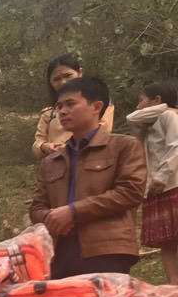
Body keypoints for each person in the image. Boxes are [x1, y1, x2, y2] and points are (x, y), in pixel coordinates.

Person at [31, 76, 145, 279]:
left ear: (96, 106)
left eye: (70, 104)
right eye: (59, 106)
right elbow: (36, 208)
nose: (62, 111)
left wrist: (73, 212)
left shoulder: (124, 146)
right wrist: (51, 217)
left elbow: (130, 192)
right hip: (60, 253)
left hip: (107, 249)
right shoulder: (51, 161)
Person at [128, 82, 178, 284]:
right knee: (167, 241)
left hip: (172, 184)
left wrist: (162, 176)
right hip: (156, 189)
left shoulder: (168, 116)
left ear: (157, 100)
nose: (138, 106)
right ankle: (174, 286)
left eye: (142, 100)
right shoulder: (149, 125)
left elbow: (176, 147)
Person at [33, 53, 116, 159]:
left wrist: (69, 147)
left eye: (68, 76)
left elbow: (103, 130)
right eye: (56, 79)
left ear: (80, 73)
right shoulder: (49, 113)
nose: (63, 82)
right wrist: (45, 147)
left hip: (91, 162)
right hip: (56, 167)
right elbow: (38, 143)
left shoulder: (97, 102)